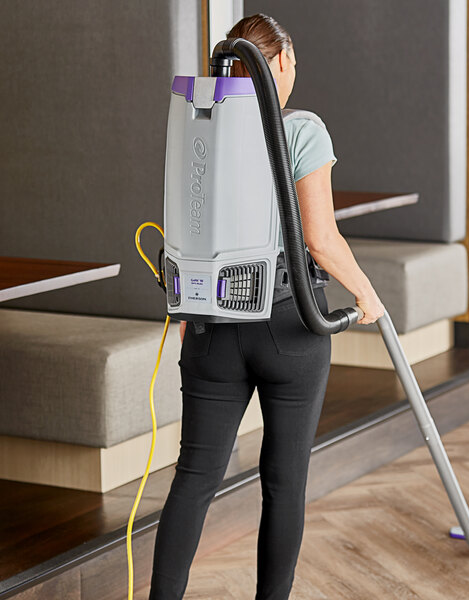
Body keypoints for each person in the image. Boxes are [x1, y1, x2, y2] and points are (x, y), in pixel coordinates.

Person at [149, 13, 385, 600]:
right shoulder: (302, 129)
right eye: (293, 62)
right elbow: (320, 238)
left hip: (208, 326)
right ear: (279, 61)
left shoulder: (196, 131)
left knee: (194, 479)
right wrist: (366, 292)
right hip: (291, 324)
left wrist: (186, 316)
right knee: (284, 483)